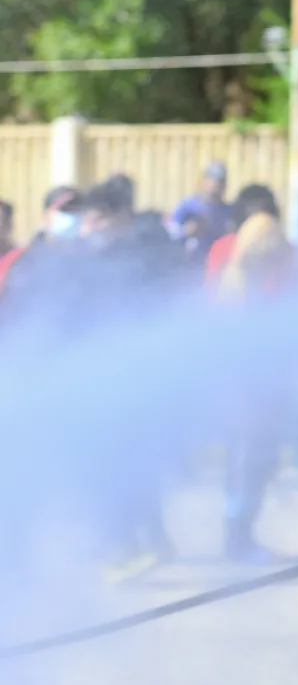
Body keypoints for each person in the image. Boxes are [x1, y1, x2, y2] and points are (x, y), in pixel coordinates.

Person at [0, 176, 185, 582]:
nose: (88, 224)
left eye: (89, 215)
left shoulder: (129, 258)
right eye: (80, 216)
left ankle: (120, 546)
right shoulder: (34, 262)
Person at [209, 187, 298, 562]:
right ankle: (238, 535)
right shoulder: (282, 257)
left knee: (243, 456)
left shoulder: (222, 252)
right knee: (253, 456)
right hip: (258, 380)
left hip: (237, 377)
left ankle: (237, 531)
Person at [171, 160, 232, 244]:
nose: (216, 184)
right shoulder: (187, 206)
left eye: (221, 180)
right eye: (212, 179)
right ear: (204, 181)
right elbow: (171, 233)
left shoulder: (228, 211)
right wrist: (186, 231)